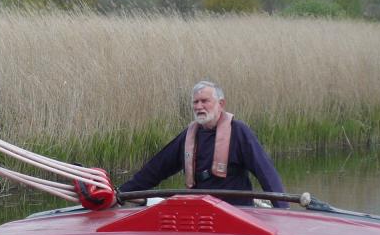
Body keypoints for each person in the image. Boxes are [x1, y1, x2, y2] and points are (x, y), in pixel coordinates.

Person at [119, 80, 288, 208]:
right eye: (195, 102)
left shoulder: (239, 132)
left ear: (221, 104)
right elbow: (155, 169)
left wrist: (283, 210)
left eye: (205, 101)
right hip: (201, 214)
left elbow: (267, 173)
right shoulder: (188, 137)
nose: (199, 106)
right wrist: (121, 194)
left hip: (237, 212)